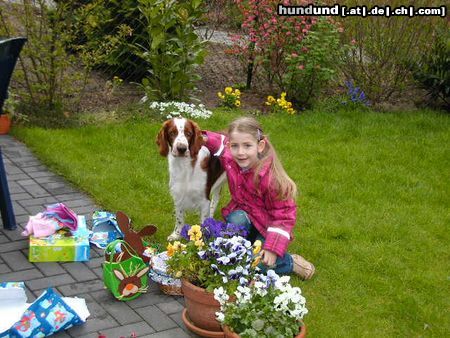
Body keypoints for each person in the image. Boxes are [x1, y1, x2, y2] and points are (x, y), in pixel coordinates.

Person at [202, 116, 315, 280]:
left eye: (247, 145)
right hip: (245, 215)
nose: (240, 152)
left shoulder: (271, 179)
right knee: (233, 228)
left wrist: (272, 247)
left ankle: (290, 262)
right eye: (235, 146)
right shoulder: (231, 158)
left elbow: (283, 214)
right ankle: (247, 245)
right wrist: (202, 138)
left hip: (267, 226)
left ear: (260, 146)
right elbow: (218, 142)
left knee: (256, 263)